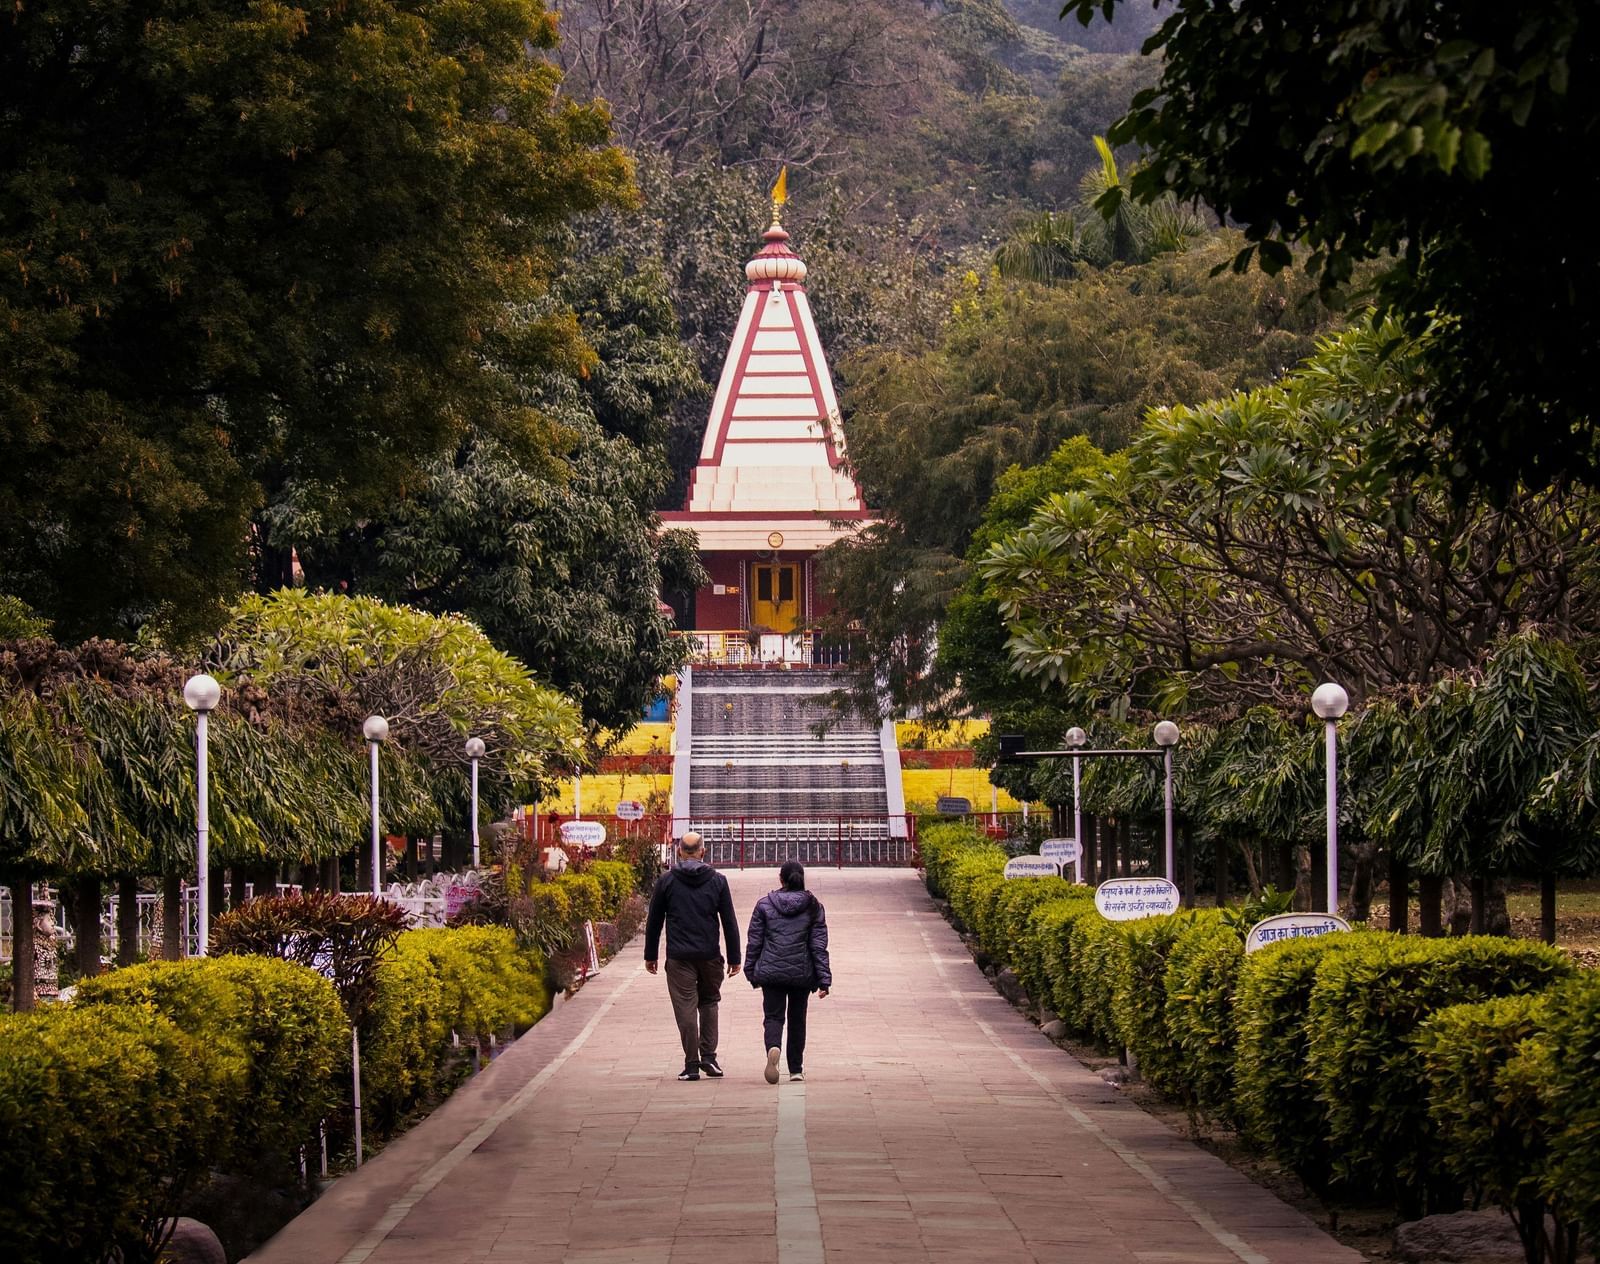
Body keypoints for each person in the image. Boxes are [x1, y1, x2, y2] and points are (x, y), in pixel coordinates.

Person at [644, 831, 742, 1081]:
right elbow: (729, 921)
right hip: (710, 955)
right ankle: (709, 1057)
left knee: (686, 1007)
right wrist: (734, 957)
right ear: (703, 852)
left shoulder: (666, 881)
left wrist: (650, 954)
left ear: (679, 852)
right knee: (709, 1002)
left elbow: (654, 920)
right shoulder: (718, 881)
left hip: (679, 957)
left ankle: (691, 1064)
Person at [744, 861, 831, 1084]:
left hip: (772, 971)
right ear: (801, 878)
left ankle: (773, 1046)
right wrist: (824, 979)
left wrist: (751, 970)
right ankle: (795, 1069)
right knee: (797, 1019)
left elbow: (754, 941)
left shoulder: (764, 905)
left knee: (773, 1016)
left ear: (780, 878)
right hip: (802, 973)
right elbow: (818, 945)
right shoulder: (813, 906)